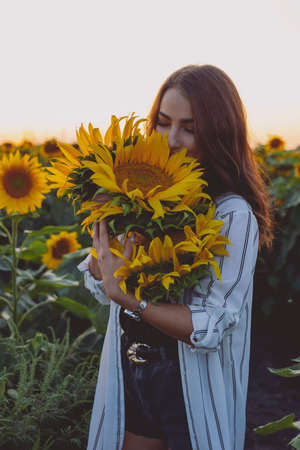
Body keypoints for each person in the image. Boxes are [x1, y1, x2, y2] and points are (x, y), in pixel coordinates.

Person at [77, 64, 274, 450]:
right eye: (163, 123)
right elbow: (105, 276)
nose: (171, 139)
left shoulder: (231, 214)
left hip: (188, 382)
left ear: (218, 132)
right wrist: (105, 257)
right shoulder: (142, 193)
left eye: (190, 127)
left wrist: (126, 296)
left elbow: (211, 324)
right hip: (134, 369)